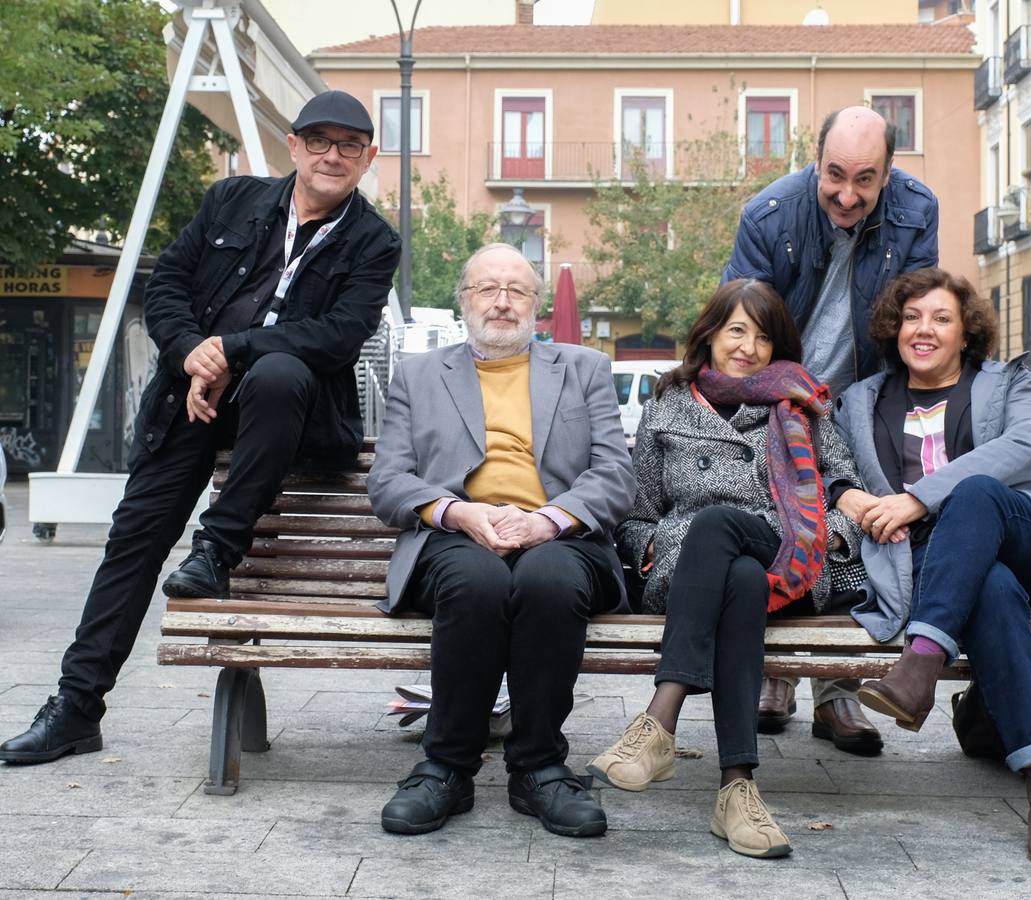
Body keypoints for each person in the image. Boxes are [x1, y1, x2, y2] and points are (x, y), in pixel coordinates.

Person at [0, 90, 400, 765]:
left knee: (280, 371)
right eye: (320, 140)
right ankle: (75, 708)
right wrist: (191, 351)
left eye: (350, 144)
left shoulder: (373, 242)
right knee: (133, 544)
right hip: (188, 403)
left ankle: (215, 548)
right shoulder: (231, 201)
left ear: (368, 158)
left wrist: (231, 349)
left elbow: (339, 336)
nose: (333, 154)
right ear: (295, 147)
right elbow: (167, 287)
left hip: (291, 419)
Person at [833, 268, 1031, 868]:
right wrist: (851, 495)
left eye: (941, 318)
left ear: (965, 332)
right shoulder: (862, 400)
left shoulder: (1006, 384)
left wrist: (921, 496)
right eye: (912, 317)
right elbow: (830, 469)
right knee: (991, 590)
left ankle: (919, 664)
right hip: (932, 563)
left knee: (974, 493)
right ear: (894, 328)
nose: (924, 330)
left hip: (1023, 537)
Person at [587, 279, 864, 858]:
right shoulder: (668, 407)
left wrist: (821, 540)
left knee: (719, 525)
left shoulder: (804, 405)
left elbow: (847, 499)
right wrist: (655, 549)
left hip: (789, 556)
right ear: (710, 332)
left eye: (764, 336)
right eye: (737, 330)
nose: (749, 347)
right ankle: (737, 790)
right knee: (733, 574)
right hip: (692, 573)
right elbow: (635, 515)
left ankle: (660, 717)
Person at [368, 243, 635, 839]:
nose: (502, 302)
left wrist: (550, 520)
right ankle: (447, 767)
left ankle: (539, 768)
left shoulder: (583, 368)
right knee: (476, 582)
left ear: (537, 306)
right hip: (458, 534)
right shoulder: (418, 374)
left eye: (516, 290)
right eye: (487, 288)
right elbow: (387, 483)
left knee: (548, 581)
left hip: (560, 533)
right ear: (464, 301)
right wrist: (457, 513)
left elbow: (616, 475)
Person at [722, 105, 939, 751]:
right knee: (775, 526)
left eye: (865, 180)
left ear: (889, 174)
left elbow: (915, 314)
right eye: (835, 175)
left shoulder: (917, 210)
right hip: (778, 395)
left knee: (852, 535)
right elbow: (744, 318)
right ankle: (777, 677)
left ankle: (838, 694)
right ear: (816, 161)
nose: (847, 195)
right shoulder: (768, 215)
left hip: (863, 400)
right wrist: (772, 403)